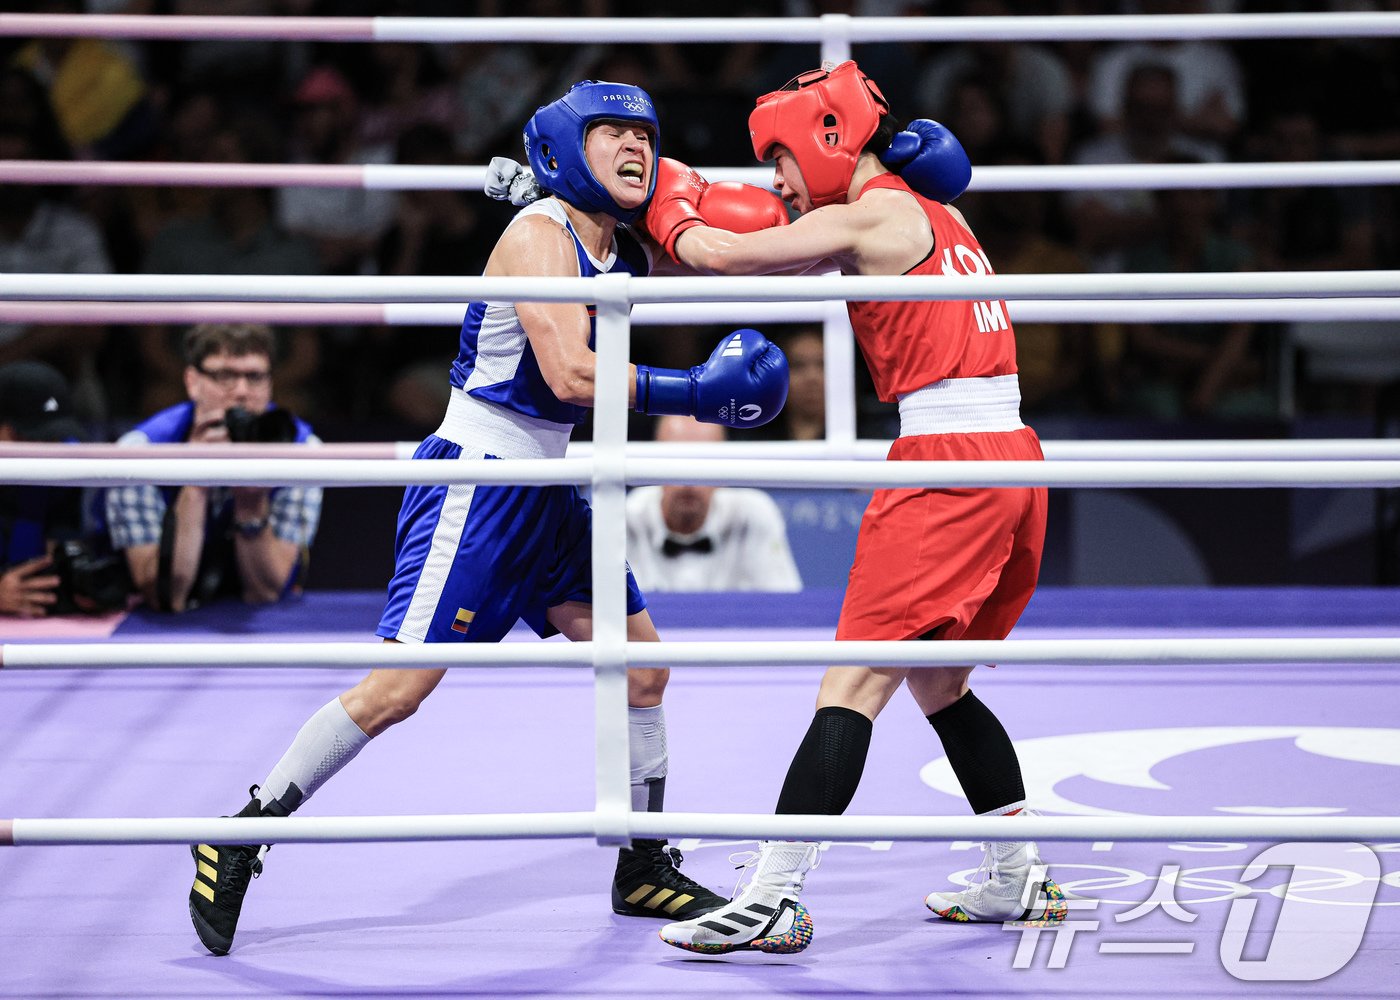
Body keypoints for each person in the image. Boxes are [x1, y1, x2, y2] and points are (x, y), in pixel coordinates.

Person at [186, 78, 791, 957]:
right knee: (398, 691)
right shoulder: (536, 234)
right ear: (562, 149)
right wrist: (697, 391)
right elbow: (570, 376)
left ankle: (642, 863)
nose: (636, 148)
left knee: (643, 670)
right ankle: (241, 831)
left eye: (645, 136)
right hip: (482, 480)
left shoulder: (615, 243)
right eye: (613, 133)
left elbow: (705, 238)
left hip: (551, 485)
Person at [639, 60, 1063, 955]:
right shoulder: (932, 214)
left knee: (852, 685)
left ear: (827, 140)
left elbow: (720, 256)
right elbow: (770, 218)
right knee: (939, 683)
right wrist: (695, 189)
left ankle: (776, 897)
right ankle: (1017, 874)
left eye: (784, 159)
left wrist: (657, 204)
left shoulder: (870, 218)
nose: (779, 180)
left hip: (948, 464)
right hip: (1014, 458)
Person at [104, 323, 322, 614]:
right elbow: (166, 595)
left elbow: (266, 592)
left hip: (259, 628)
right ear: (192, 381)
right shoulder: (139, 453)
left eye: (255, 377)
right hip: (151, 627)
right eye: (225, 376)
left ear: (270, 383)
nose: (242, 392)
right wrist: (195, 483)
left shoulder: (302, 450)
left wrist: (250, 501)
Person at [626, 415, 802, 593]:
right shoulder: (625, 518)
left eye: (702, 464)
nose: (688, 481)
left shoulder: (753, 514)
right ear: (653, 466)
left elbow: (786, 609)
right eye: (675, 463)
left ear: (724, 469)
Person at [0, 360, 86, 617]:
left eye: (53, 436)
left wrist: (73, 581)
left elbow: (62, 539)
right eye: (30, 435)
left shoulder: (64, 461)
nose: (46, 446)